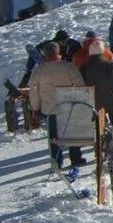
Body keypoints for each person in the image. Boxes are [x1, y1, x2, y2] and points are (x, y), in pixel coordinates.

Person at [28, 42, 87, 173]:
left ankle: (57, 162)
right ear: (58, 52)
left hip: (49, 109)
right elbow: (80, 84)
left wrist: (35, 107)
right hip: (68, 105)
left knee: (53, 137)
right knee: (72, 133)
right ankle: (76, 158)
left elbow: (33, 90)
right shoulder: (69, 67)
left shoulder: (39, 70)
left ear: (45, 54)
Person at [80, 40, 113, 157]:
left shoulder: (85, 67)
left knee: (101, 124)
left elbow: (83, 84)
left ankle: (105, 148)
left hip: (96, 101)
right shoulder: (111, 64)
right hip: (111, 98)